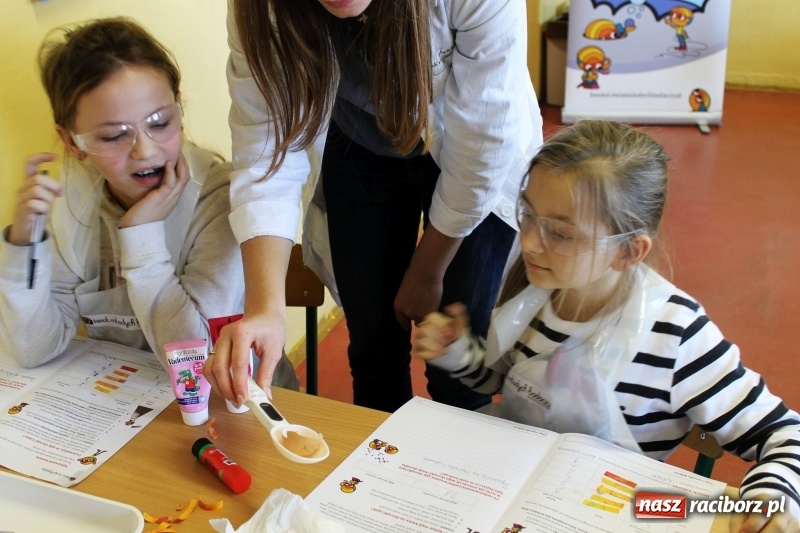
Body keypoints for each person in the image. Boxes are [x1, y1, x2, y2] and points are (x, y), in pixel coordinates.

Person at [413, 120, 800, 531]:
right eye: (527, 214)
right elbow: (504, 382)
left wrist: (772, 497)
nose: (528, 243)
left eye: (561, 233)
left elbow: (784, 434)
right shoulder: (536, 290)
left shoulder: (676, 336)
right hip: (508, 494)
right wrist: (460, 353)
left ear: (629, 251)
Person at [206, 0, 543, 412]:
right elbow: (266, 150)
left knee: (457, 361)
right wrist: (266, 308)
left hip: (468, 147)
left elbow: (483, 144)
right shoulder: (262, 10)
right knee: (373, 350)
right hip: (359, 145)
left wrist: (428, 268)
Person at [0, 16, 299, 389]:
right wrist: (23, 246)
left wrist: (140, 235)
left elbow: (199, 366)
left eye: (159, 123)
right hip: (133, 396)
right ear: (72, 142)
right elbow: (34, 348)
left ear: (179, 112)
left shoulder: (221, 198)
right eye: (114, 136)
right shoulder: (72, 205)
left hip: (242, 400)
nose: (145, 150)